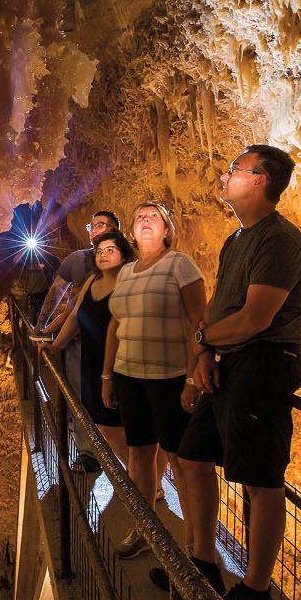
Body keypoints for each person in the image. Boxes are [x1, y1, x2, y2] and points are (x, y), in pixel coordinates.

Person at [177, 145, 301, 600]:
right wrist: (207, 352)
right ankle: (204, 563)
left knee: (260, 480)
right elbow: (221, 304)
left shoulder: (278, 240)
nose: (225, 174)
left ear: (259, 181)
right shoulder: (237, 241)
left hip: (263, 365)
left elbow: (256, 318)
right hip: (228, 362)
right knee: (192, 456)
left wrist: (201, 339)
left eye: (235, 169)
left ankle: (256, 590)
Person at [100, 202, 207, 559]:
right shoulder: (127, 272)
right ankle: (144, 526)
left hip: (169, 377)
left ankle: (194, 543)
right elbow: (116, 325)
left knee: (179, 458)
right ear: (131, 231)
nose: (146, 222)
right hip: (130, 376)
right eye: (139, 217)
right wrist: (108, 375)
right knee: (139, 452)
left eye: (154, 218)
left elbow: (198, 323)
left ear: (165, 229)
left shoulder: (180, 264)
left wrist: (193, 377)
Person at [45, 229, 132, 468]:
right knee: (105, 424)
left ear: (124, 255)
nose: (103, 255)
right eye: (99, 251)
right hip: (93, 358)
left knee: (125, 424)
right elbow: (75, 316)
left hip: (121, 360)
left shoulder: (130, 281)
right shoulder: (93, 281)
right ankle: (138, 477)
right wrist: (55, 345)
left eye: (110, 250)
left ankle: (144, 482)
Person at [38, 210, 120, 334]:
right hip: (74, 335)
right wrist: (41, 325)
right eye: (91, 227)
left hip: (111, 333)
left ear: (114, 230)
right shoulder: (76, 258)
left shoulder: (125, 262)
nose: (93, 230)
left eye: (100, 225)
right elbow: (57, 291)